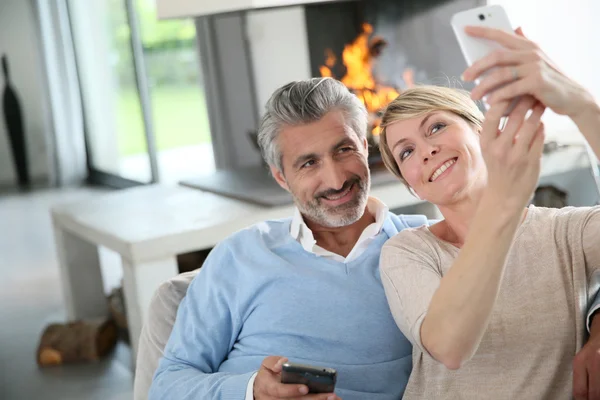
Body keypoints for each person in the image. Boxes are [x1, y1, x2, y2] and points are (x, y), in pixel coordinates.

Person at [148, 77, 430, 400]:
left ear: (366, 146)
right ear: (281, 176)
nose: (336, 179)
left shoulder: (421, 245)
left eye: (344, 149)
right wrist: (251, 391)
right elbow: (166, 387)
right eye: (309, 163)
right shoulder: (240, 255)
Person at [378, 26, 600, 399]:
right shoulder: (408, 252)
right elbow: (449, 345)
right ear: (412, 186)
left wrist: (581, 105)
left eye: (436, 126)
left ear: (480, 130)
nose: (427, 151)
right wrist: (504, 200)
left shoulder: (564, 234)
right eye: (406, 152)